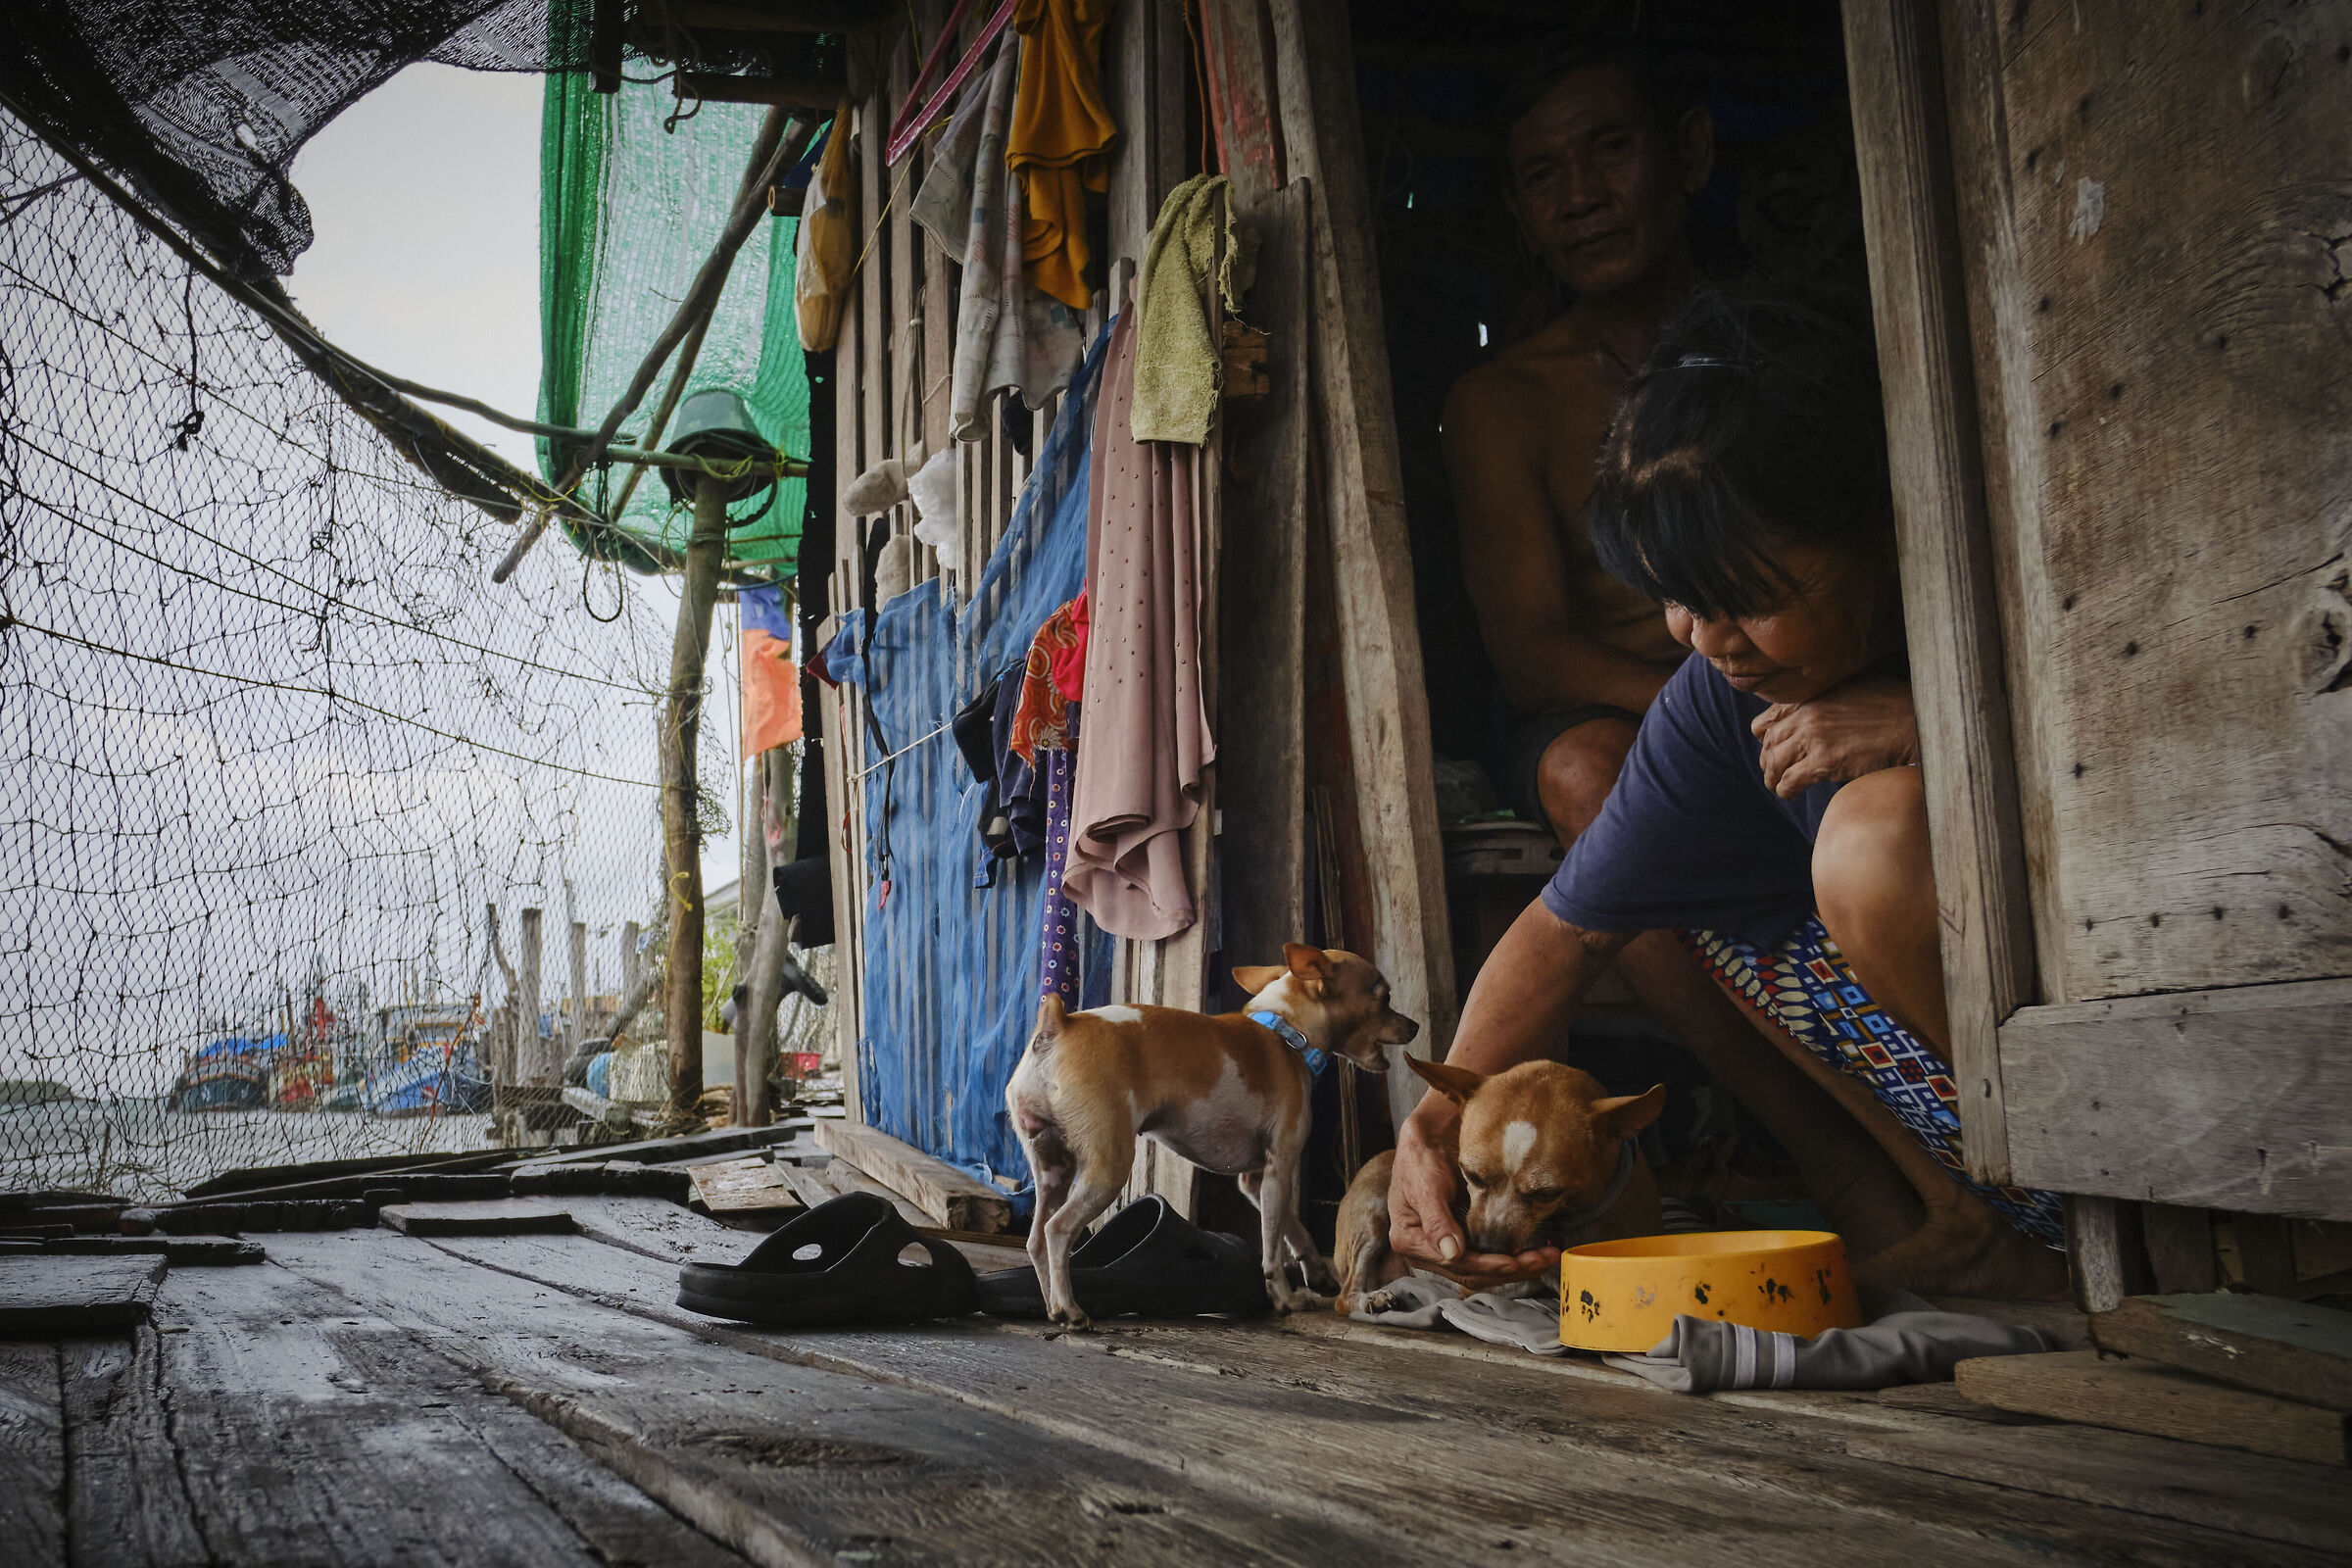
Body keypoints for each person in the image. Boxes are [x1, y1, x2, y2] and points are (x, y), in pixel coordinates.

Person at [1397, 289, 2069, 1298]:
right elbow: (1567, 931)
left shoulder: (2040, 593)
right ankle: (1978, 1219)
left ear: (1882, 532)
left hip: (2136, 1120)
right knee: (1703, 905)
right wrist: (1436, 1123)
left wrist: (1947, 731)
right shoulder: (1720, 702)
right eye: (1676, 595)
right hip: (1983, 1133)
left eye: (1746, 598)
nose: (1705, 640)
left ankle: (2112, 1226)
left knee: (1873, 842)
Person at [1443, 28, 1928, 1271]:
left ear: (1691, 151)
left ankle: (1974, 1199)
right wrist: (1432, 1133)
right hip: (1640, 718)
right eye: (1543, 173)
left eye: (1609, 148)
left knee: (1864, 846)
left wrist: (1923, 715)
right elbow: (1534, 654)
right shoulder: (1507, 400)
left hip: (1825, 708)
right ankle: (1846, 1174)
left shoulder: (1810, 365)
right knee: (1599, 783)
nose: (1581, 194)